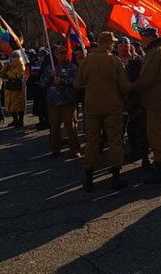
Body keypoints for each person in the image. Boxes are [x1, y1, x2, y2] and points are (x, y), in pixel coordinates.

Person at [74, 32, 131, 191]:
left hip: (92, 107)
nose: (113, 45)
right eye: (112, 43)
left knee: (92, 141)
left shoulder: (86, 61)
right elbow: (125, 87)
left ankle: (88, 178)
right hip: (113, 106)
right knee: (114, 141)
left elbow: (77, 84)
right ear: (107, 44)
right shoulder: (115, 61)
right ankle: (115, 177)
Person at [131, 27, 161, 184]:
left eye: (143, 37)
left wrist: (130, 88)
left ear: (149, 37)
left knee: (155, 134)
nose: (142, 40)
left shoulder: (155, 53)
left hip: (156, 98)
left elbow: (146, 79)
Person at [41, 45, 80, 158]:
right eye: (60, 54)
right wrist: (50, 76)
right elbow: (42, 84)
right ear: (56, 56)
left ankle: (75, 149)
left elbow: (77, 82)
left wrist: (62, 81)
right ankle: (55, 149)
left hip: (68, 102)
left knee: (71, 127)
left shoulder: (72, 67)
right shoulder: (50, 68)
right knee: (54, 127)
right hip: (54, 102)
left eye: (65, 54)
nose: (63, 56)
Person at [117, 37, 149, 167]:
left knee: (139, 129)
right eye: (121, 45)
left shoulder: (138, 61)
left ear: (131, 46)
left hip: (136, 101)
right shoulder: (114, 61)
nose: (124, 47)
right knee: (119, 130)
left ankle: (144, 156)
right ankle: (119, 158)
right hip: (118, 101)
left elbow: (143, 79)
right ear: (117, 47)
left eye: (126, 45)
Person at [1, 50, 26, 129]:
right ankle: (15, 120)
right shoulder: (11, 65)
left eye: (13, 57)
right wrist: (7, 65)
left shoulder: (20, 64)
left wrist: (9, 75)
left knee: (19, 105)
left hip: (17, 87)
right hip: (10, 87)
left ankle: (20, 121)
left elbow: (19, 75)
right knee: (11, 105)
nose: (12, 59)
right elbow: (2, 72)